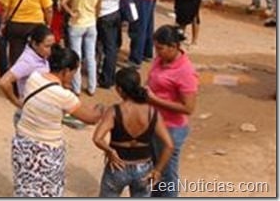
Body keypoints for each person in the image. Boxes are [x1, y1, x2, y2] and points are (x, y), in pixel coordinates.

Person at [11, 45, 104, 197]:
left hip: (23, 144)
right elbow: (91, 118)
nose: (74, 76)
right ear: (66, 71)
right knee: (47, 192)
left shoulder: (34, 78)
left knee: (25, 187)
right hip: (46, 151)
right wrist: (101, 108)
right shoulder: (63, 96)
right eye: (74, 72)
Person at [93, 68, 174, 198]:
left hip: (117, 167)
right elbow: (169, 145)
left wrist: (110, 151)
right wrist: (158, 170)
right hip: (144, 169)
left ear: (119, 90)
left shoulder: (114, 111)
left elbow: (97, 138)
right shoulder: (152, 112)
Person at [147, 25, 199, 197]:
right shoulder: (160, 60)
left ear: (174, 46)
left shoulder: (185, 72)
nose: (157, 52)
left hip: (171, 128)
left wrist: (155, 100)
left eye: (160, 49)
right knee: (155, 170)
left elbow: (188, 108)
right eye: (156, 48)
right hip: (155, 123)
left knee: (167, 176)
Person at [0, 0, 53, 66]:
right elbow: (49, 9)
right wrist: (48, 24)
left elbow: (5, 10)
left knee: (16, 55)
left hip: (16, 25)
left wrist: (3, 24)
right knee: (36, 54)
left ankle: (16, 79)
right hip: (35, 26)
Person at [95, 0, 137, 89]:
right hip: (116, 13)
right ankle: (109, 76)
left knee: (102, 46)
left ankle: (104, 77)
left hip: (102, 14)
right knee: (113, 46)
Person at [61, 0, 102, 96]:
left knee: (76, 57)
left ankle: (77, 87)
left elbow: (63, 3)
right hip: (91, 24)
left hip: (77, 24)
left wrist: (71, 13)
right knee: (91, 56)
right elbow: (98, 5)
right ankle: (92, 87)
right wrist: (94, 18)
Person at [0, 25, 54, 108]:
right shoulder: (28, 61)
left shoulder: (40, 56)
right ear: (35, 44)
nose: (50, 50)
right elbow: (4, 82)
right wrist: (17, 102)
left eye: (52, 46)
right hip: (30, 111)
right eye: (47, 46)